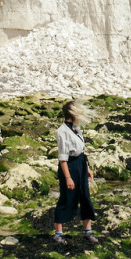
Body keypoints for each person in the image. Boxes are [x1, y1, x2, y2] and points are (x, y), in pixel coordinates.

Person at [53, 100, 97, 244]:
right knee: (67, 198)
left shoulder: (76, 128)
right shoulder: (62, 131)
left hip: (80, 164)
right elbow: (63, 158)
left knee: (85, 197)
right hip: (69, 166)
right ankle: (58, 234)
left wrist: (87, 168)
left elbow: (82, 150)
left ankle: (88, 231)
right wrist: (68, 177)